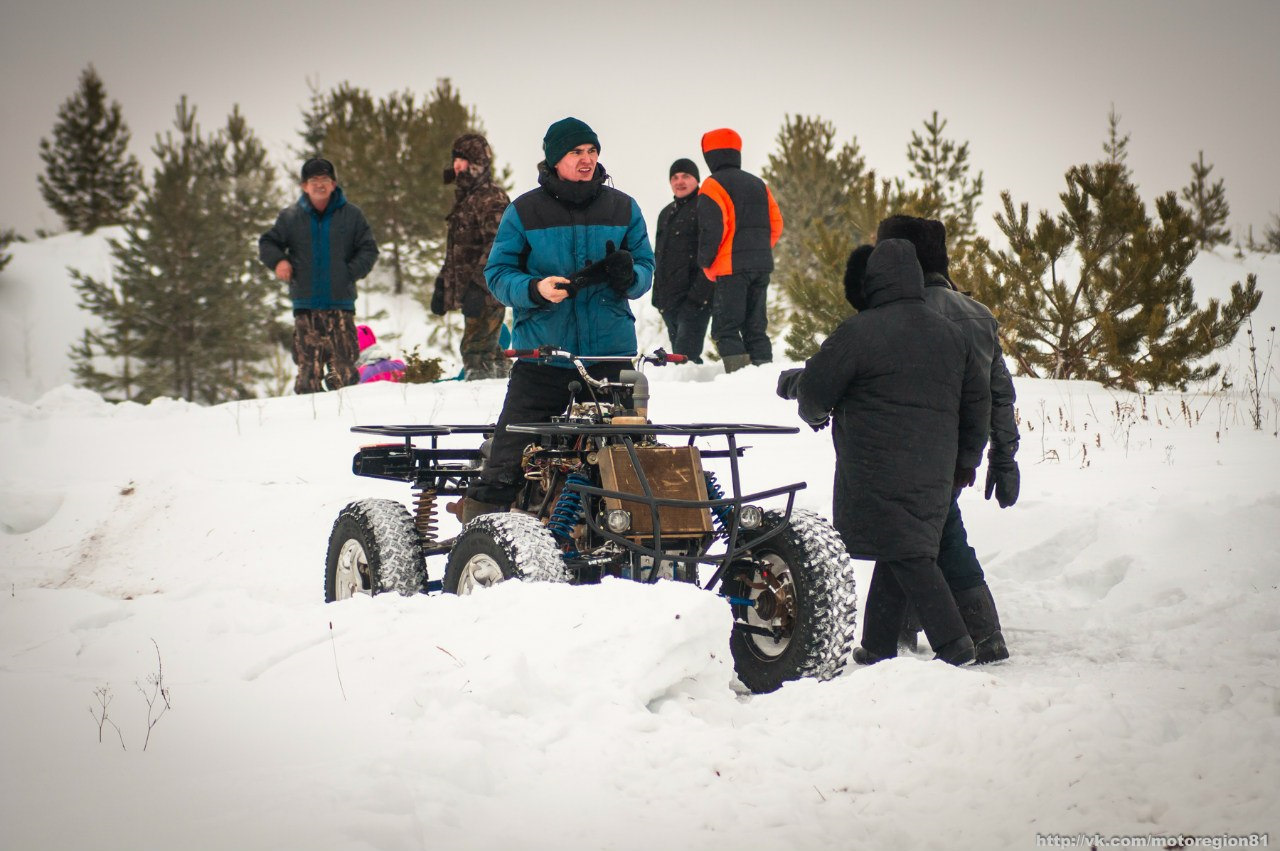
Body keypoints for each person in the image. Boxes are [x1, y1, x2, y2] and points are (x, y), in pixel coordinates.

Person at [776, 238, 990, 666]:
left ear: (871, 281)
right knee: (902, 546)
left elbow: (818, 392)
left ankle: (955, 644)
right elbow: (977, 403)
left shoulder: (858, 331)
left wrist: (804, 399)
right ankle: (876, 646)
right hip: (936, 467)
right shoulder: (951, 335)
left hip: (877, 465)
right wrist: (966, 461)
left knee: (910, 554)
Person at [461, 117, 654, 520]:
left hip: (610, 359)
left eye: (592, 151)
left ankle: (627, 536)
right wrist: (535, 289)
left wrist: (629, 277)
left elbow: (646, 270)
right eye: (575, 153)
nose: (586, 160)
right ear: (554, 159)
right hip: (544, 358)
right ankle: (479, 538)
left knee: (631, 462)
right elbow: (497, 275)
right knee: (507, 459)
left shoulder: (624, 207)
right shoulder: (524, 210)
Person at [875, 215, 1020, 663]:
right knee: (913, 533)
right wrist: (1003, 458)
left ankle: (979, 633)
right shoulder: (979, 315)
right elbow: (1000, 392)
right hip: (962, 449)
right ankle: (896, 636)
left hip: (913, 447)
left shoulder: (899, 313)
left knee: (930, 536)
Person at [259, 158, 379, 394]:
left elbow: (369, 249)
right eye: (314, 180)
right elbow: (268, 243)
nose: (319, 185)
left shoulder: (352, 215)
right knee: (308, 373)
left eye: (324, 179)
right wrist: (279, 261)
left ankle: (347, 420)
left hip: (340, 304)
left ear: (334, 184)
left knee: (345, 371)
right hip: (306, 306)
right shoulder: (291, 217)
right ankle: (309, 424)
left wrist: (349, 273)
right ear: (304, 186)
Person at [696, 128, 783, 373]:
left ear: (709, 156)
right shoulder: (758, 184)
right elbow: (777, 224)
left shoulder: (712, 185)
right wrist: (759, 251)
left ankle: (740, 377)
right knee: (756, 327)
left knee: (725, 328)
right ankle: (763, 375)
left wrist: (705, 262)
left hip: (730, 268)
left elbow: (711, 229)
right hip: (761, 265)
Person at [430, 133, 512, 381]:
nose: (456, 165)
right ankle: (500, 386)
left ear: (476, 162)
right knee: (487, 351)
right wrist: (443, 283)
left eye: (462, 159)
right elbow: (458, 249)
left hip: (488, 291)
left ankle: (481, 397)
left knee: (476, 351)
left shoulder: (491, 198)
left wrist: (479, 285)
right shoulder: (468, 198)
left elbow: (498, 245)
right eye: (455, 159)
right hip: (473, 291)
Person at [652, 158, 713, 363]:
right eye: (675, 177)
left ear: (697, 180)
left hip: (694, 298)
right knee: (679, 357)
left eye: (686, 176)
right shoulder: (666, 213)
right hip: (668, 301)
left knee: (685, 358)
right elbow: (659, 256)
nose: (680, 181)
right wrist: (658, 296)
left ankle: (693, 392)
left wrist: (698, 297)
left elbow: (709, 252)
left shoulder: (704, 207)